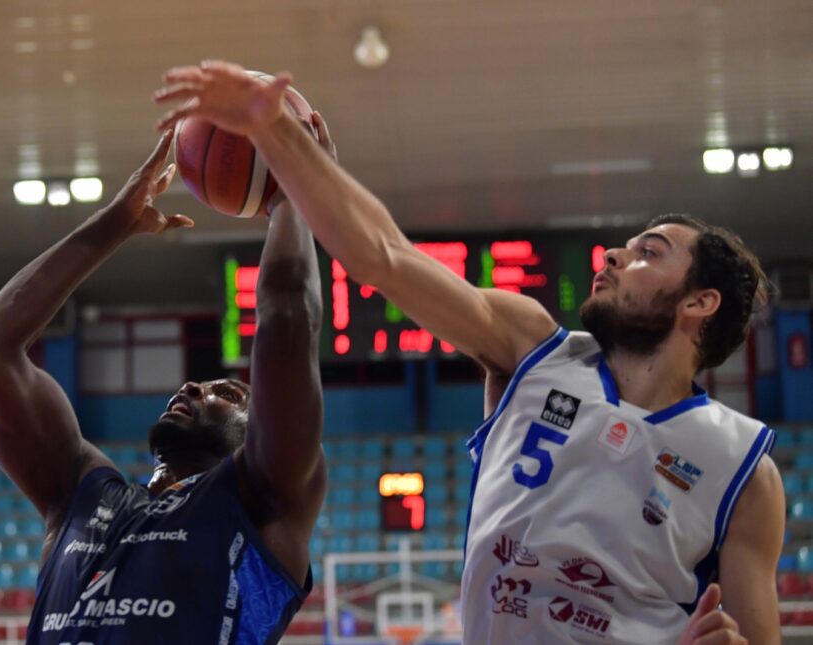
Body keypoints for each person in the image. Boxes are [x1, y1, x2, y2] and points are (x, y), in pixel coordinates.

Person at [153, 61, 785, 645]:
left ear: (699, 303)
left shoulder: (743, 470)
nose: (617, 255)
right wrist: (280, 138)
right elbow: (382, 257)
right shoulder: (531, 348)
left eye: (649, 252)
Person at [0, 118, 334, 643]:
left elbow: (287, 313)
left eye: (227, 394)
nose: (193, 389)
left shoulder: (263, 500)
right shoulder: (82, 496)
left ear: (261, 431)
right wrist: (114, 223)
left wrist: (293, 193)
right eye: (199, 385)